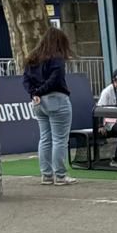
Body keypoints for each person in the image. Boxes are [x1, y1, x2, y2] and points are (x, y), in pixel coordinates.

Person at [22, 27, 77, 185]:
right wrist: (40, 91)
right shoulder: (57, 58)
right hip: (57, 99)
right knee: (60, 139)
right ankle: (60, 175)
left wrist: (34, 93)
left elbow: (25, 79)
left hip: (38, 102)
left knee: (45, 138)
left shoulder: (32, 57)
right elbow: (55, 79)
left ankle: (46, 175)